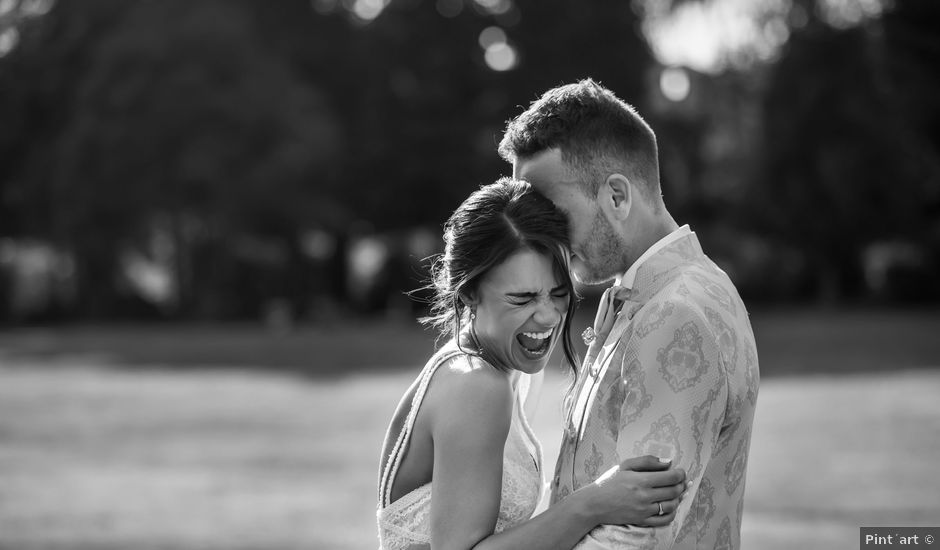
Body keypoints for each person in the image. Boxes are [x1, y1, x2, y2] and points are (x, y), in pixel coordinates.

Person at [499, 79, 760, 549]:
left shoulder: (676, 315)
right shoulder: (651, 295)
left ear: (616, 197)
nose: (540, 240)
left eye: (551, 216)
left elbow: (634, 538)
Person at [377, 178, 689, 550]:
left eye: (558, 294)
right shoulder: (475, 386)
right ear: (470, 294)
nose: (547, 316)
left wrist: (598, 355)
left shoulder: (493, 365)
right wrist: (593, 503)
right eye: (522, 299)